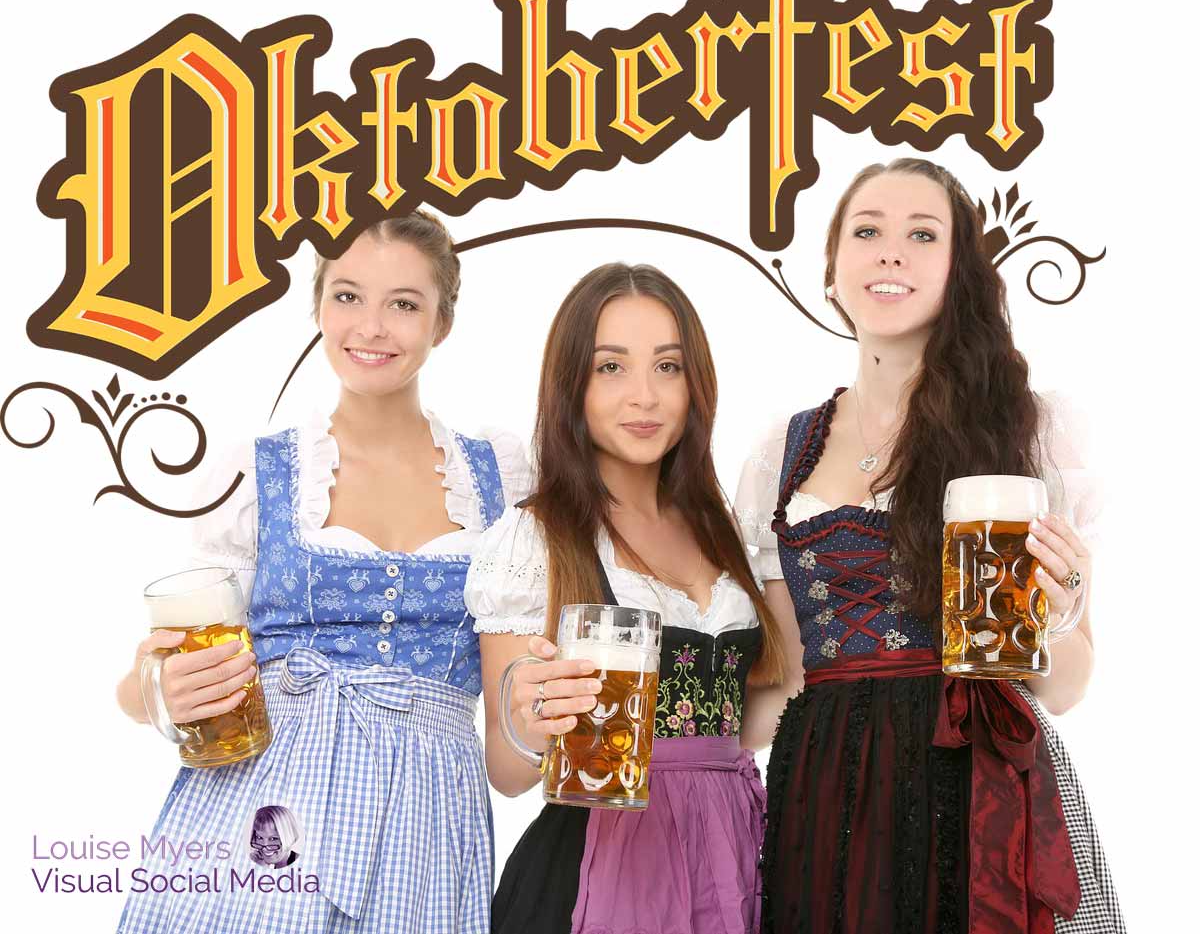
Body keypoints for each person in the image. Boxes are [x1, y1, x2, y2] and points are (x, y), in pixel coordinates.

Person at [735, 158, 1125, 933]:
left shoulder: (1026, 428)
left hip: (978, 784)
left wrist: (1058, 606)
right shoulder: (783, 450)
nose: (890, 252)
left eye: (922, 234)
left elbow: (1065, 686)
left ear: (959, 268)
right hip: (827, 794)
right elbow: (783, 687)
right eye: (868, 231)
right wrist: (668, 745)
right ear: (832, 269)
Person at [114, 211, 531, 933]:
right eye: (347, 296)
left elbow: (510, 720)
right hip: (264, 803)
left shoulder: (500, 473)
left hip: (427, 815)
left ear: (442, 324)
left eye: (403, 303)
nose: (371, 326)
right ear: (316, 308)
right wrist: (159, 688)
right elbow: (146, 678)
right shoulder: (257, 471)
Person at [465, 263, 802, 934]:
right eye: (611, 367)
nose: (644, 396)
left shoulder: (724, 526)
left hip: (730, 853)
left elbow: (748, 716)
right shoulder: (536, 538)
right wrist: (534, 715)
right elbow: (506, 769)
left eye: (668, 367)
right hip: (602, 863)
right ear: (572, 385)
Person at [248, 805, 302, 869]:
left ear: (289, 837)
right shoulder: (257, 861)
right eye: (259, 837)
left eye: (273, 839)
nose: (264, 847)